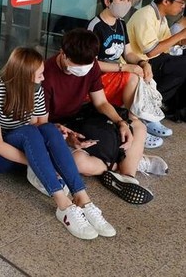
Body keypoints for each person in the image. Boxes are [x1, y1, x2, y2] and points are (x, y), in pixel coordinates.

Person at [0, 47, 115, 240]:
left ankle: (83, 198)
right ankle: (63, 205)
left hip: (23, 143)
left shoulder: (36, 89)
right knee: (30, 132)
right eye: (40, 74)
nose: (43, 77)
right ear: (24, 76)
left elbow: (41, 125)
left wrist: (61, 133)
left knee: (48, 129)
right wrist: (42, 163)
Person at [42, 28, 166, 205]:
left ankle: (127, 177)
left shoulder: (90, 66)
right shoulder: (46, 74)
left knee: (137, 127)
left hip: (83, 114)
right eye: (76, 67)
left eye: (86, 67)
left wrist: (121, 122)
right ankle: (127, 162)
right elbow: (42, 122)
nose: (81, 72)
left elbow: (100, 102)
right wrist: (68, 137)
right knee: (77, 162)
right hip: (60, 125)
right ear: (63, 54)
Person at [88, 0, 172, 149]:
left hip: (115, 74)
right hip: (97, 81)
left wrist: (142, 63)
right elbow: (92, 64)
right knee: (132, 76)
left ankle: (146, 118)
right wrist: (124, 67)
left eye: (129, 0)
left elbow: (128, 53)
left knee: (142, 72)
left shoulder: (120, 24)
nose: (126, 4)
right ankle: (136, 123)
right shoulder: (95, 26)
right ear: (107, 1)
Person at [127, 0, 186, 120]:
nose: (183, 7)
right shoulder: (146, 15)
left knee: (182, 64)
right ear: (166, 1)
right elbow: (151, 51)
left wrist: (181, 42)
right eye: (181, 2)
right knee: (182, 65)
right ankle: (147, 106)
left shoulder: (161, 18)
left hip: (151, 60)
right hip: (138, 62)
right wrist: (181, 35)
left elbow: (167, 48)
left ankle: (154, 105)